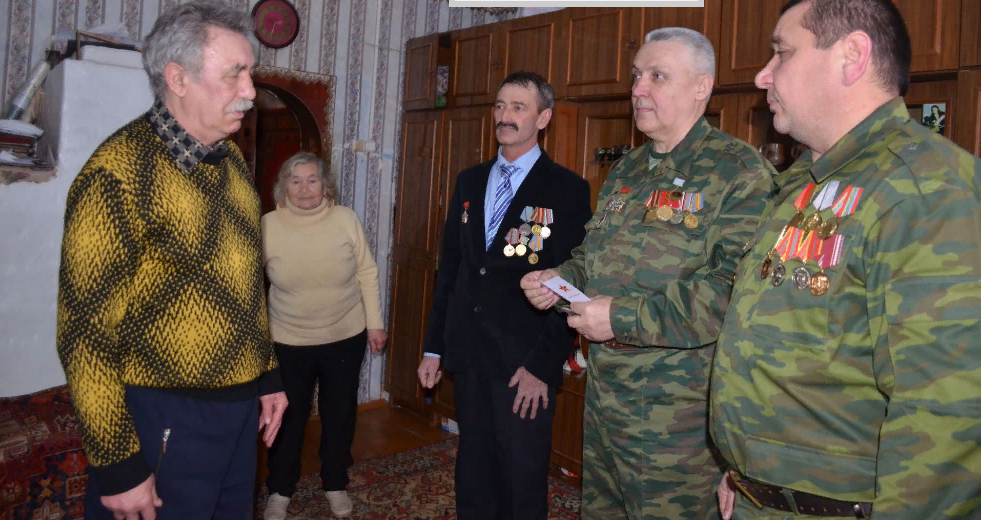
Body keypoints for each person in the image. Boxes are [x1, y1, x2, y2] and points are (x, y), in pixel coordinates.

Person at [710, 1, 981, 518]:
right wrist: (744, 473)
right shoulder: (806, 182)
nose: (763, 75)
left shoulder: (925, 190)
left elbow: (948, 418)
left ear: (852, 56)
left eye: (782, 53)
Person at [521, 28, 775, 520]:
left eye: (657, 76)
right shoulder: (628, 169)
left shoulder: (738, 172)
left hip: (676, 419)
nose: (637, 89)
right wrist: (557, 279)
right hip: (605, 398)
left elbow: (731, 294)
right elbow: (593, 257)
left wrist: (620, 317)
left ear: (701, 87)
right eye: (637, 75)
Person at [55, 2, 287, 519]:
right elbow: (84, 334)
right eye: (234, 74)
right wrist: (118, 464)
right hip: (163, 415)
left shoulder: (231, 163)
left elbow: (244, 287)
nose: (250, 91)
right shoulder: (117, 175)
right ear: (177, 78)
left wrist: (266, 375)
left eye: (250, 73)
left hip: (237, 415)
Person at [417, 70, 592, 519]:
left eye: (518, 107)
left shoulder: (567, 189)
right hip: (469, 353)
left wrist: (543, 366)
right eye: (499, 106)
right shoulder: (470, 181)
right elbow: (452, 269)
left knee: (521, 478)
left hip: (522, 364)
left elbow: (572, 284)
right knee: (473, 472)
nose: (505, 116)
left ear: (543, 118)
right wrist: (434, 347)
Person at [261, 152, 387, 519]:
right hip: (287, 340)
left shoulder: (345, 219)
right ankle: (280, 489)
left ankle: (335, 483)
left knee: (339, 414)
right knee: (287, 419)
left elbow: (367, 272)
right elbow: (252, 283)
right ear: (283, 187)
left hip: (345, 335)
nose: (304, 189)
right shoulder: (268, 225)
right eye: (295, 181)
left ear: (325, 185)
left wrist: (375, 323)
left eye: (312, 180)